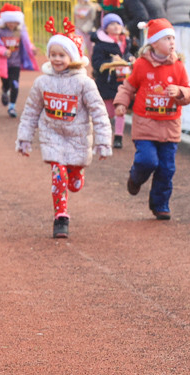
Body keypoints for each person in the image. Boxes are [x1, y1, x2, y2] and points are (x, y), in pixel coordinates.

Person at [15, 21, 112, 238]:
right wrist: (24, 138)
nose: (57, 59)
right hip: (52, 136)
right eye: (53, 54)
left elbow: (98, 111)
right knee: (58, 175)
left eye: (62, 55)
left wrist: (103, 141)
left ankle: (77, 171)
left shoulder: (84, 83)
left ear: (73, 58)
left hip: (77, 137)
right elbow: (31, 111)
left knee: (74, 184)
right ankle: (61, 216)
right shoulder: (42, 82)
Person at [114, 18, 190, 220]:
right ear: (154, 43)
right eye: (167, 38)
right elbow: (128, 87)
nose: (172, 42)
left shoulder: (178, 67)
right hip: (145, 124)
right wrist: (121, 103)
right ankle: (135, 178)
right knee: (147, 160)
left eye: (173, 38)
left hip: (170, 126)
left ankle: (160, 204)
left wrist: (179, 92)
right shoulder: (141, 65)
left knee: (166, 169)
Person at [0, 3, 37, 118]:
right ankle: (4, 91)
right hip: (3, 64)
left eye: (14, 22)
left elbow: (27, 43)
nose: (12, 24)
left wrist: (32, 49)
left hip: (15, 63)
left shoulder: (20, 32)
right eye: (9, 21)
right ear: (5, 21)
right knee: (6, 84)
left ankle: (12, 107)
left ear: (18, 22)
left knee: (15, 84)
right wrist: (3, 51)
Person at [91, 13, 133, 150]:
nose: (116, 27)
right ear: (105, 28)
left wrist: (131, 58)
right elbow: (96, 63)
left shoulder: (126, 41)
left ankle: (118, 137)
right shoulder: (100, 44)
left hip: (122, 82)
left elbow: (128, 54)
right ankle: (104, 137)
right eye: (112, 24)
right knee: (108, 113)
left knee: (120, 109)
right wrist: (110, 62)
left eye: (118, 24)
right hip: (107, 83)